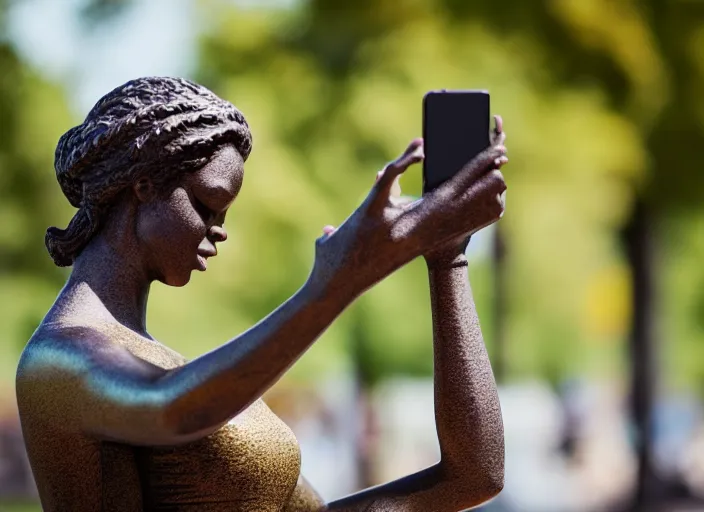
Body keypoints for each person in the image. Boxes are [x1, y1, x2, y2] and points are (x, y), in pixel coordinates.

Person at [16, 76, 508, 511]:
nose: (217, 231)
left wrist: (447, 257)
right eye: (206, 205)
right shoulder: (58, 360)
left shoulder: (165, 368)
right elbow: (170, 408)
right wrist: (338, 282)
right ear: (142, 183)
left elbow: (473, 477)